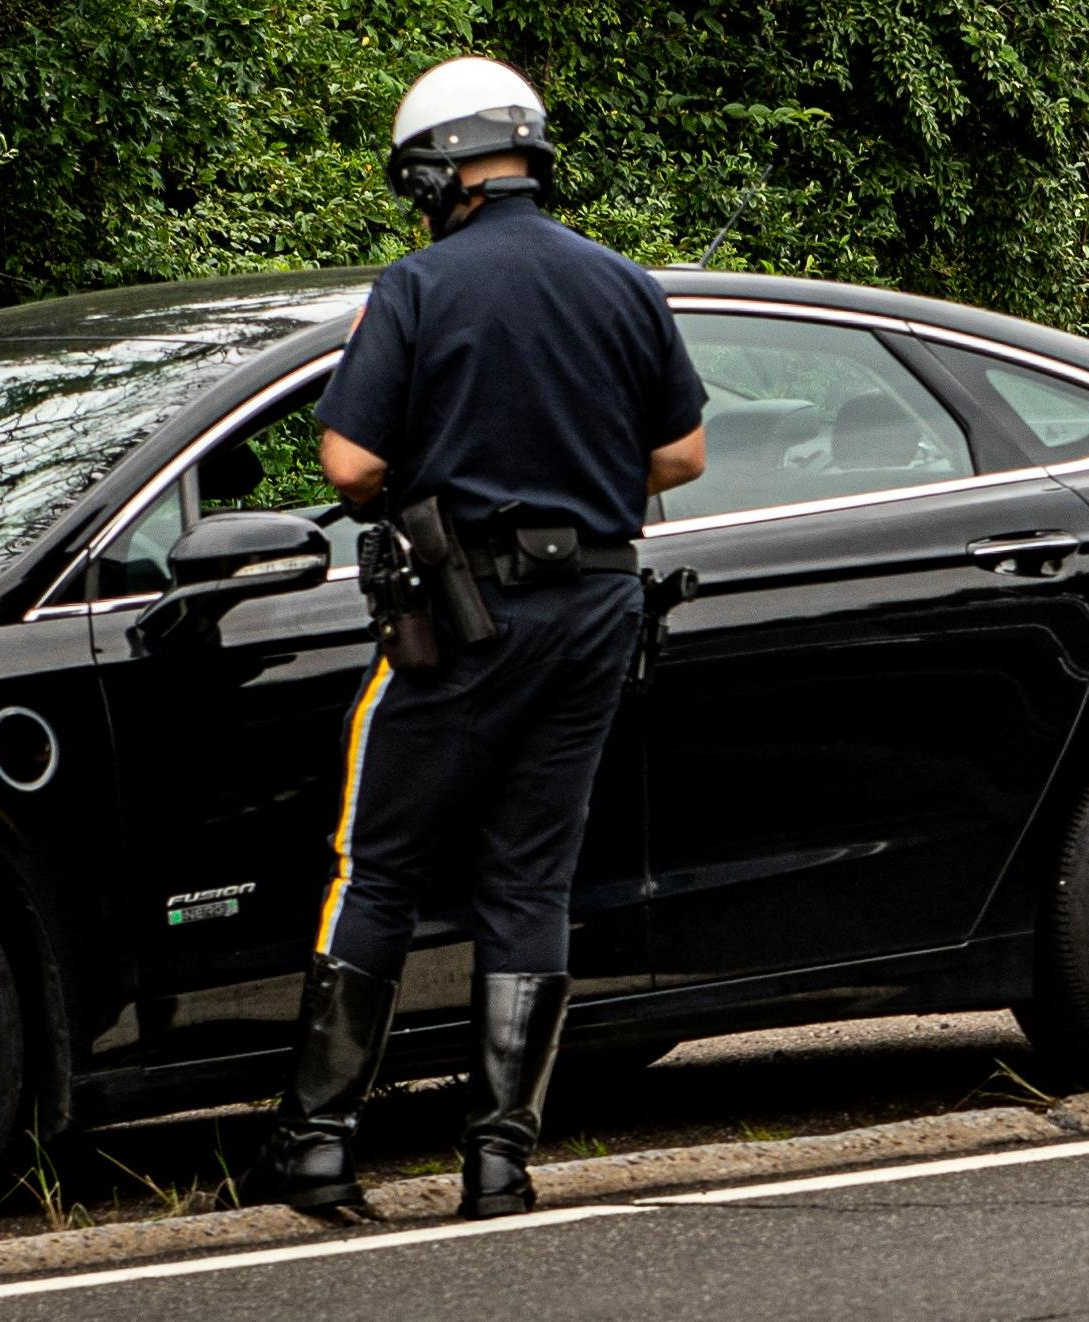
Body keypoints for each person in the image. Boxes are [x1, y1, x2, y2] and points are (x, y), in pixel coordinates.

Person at [240, 57, 708, 1220]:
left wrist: (440, 467)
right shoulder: (621, 282)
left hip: (461, 614)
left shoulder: (416, 285)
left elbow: (348, 463)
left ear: (435, 171)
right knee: (530, 875)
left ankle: (314, 1146)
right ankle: (498, 1162)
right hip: (593, 608)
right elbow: (682, 454)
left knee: (378, 864)